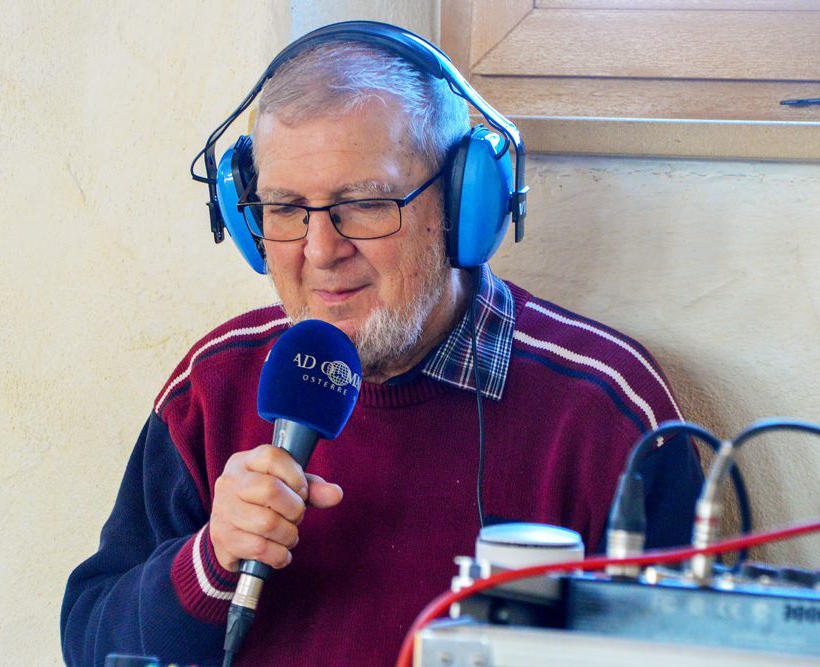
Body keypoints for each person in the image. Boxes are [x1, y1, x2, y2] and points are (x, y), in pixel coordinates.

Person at [61, 27, 702, 667]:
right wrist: (211, 558)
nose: (320, 251)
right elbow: (90, 642)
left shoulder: (608, 413)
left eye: (364, 204)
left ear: (463, 204)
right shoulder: (214, 383)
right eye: (285, 208)